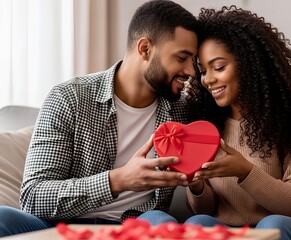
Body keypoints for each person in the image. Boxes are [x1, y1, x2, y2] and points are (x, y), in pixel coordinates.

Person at [0, 0, 199, 237]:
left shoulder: (183, 111)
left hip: (137, 224)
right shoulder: (69, 97)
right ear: (145, 48)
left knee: (162, 221)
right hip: (62, 226)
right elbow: (33, 197)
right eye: (181, 58)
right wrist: (118, 180)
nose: (191, 72)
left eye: (194, 61)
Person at [139, 6, 291, 240]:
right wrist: (196, 184)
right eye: (203, 70)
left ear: (249, 63)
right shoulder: (206, 123)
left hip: (279, 229)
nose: (208, 79)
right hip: (228, 232)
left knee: (273, 224)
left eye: (219, 67)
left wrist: (245, 171)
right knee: (198, 222)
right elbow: (206, 210)